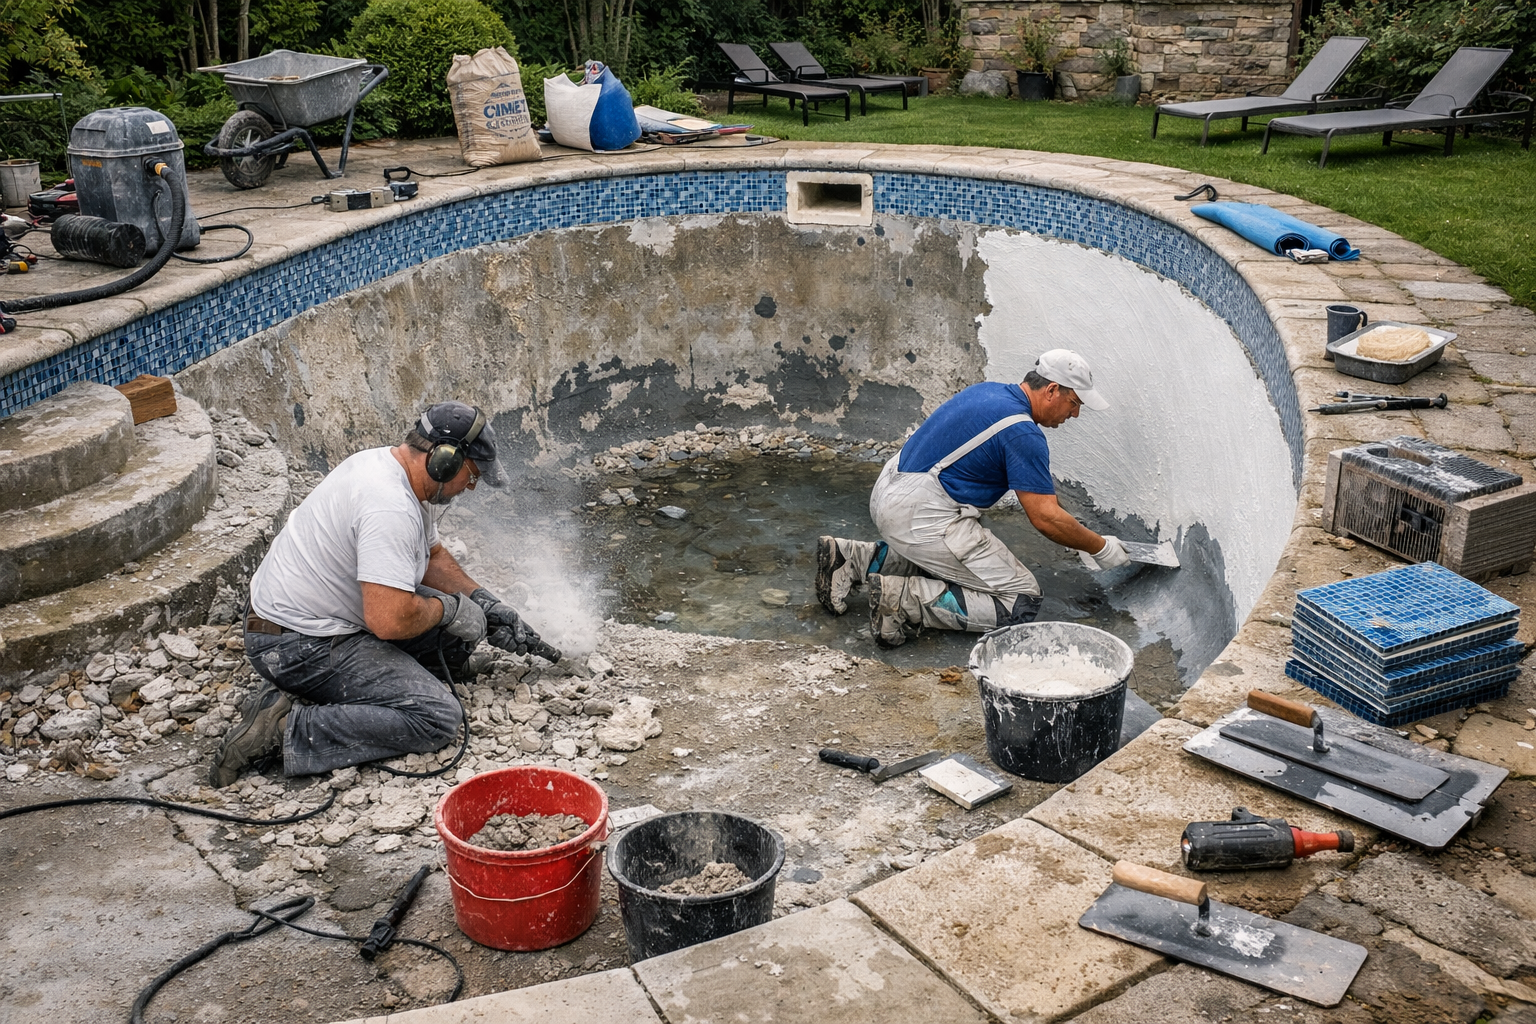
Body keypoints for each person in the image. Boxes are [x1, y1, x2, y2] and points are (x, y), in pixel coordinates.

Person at [210, 401, 551, 787]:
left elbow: (432, 557)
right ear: (444, 461)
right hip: (293, 644)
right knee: (436, 717)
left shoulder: (390, 468)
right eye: (470, 476)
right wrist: (449, 610)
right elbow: (388, 620)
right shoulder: (388, 507)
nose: (470, 487)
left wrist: (484, 602)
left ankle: (412, 675)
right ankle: (282, 727)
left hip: (293, 617)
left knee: (453, 625)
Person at [815, 349, 1130, 648]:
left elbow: (1041, 496)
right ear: (1051, 391)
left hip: (892, 488)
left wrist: (1077, 533)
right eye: (1074, 403)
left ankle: (851, 559)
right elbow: (1045, 517)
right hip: (919, 511)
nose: (1074, 414)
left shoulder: (990, 392)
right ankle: (902, 602)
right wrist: (1100, 547)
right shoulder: (1023, 433)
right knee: (1020, 599)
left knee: (953, 566)